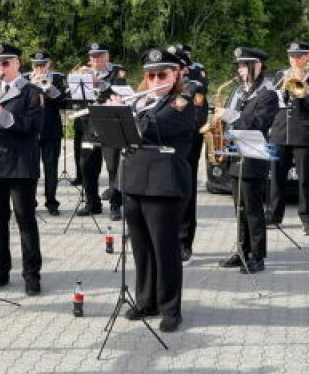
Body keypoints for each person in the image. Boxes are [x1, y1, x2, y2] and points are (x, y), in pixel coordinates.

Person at [119, 48, 195, 332]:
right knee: (140, 249)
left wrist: (125, 111)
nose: (155, 80)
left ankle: (170, 308)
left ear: (175, 74)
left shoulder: (182, 102)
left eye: (162, 74)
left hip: (164, 184)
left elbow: (151, 128)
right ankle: (146, 301)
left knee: (165, 249)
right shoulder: (142, 103)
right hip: (134, 180)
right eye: (150, 75)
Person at [0, 42, 44, 295]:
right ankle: (0, 272)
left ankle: (31, 274)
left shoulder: (31, 92)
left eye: (6, 63)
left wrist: (3, 114)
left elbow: (33, 127)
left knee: (25, 221)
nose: (1, 67)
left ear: (17, 63)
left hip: (20, 164)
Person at [216, 48, 278, 274]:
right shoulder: (241, 92)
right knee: (239, 209)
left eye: (244, 65)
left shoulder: (268, 94)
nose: (240, 70)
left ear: (258, 65)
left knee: (253, 210)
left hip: (253, 157)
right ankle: (242, 250)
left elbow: (258, 123)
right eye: (239, 66)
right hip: (236, 156)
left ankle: (258, 256)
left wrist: (230, 116)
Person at [268, 42, 309, 235]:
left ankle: (308, 220)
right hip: (280, 132)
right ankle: (274, 216)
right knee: (276, 178)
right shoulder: (280, 75)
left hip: (304, 134)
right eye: (291, 56)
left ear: (307, 57)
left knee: (305, 180)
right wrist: (284, 88)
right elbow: (276, 103)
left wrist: (301, 82)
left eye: (298, 56)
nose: (294, 59)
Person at [75, 42, 127, 220]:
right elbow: (74, 96)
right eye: (92, 56)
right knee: (87, 165)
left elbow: (122, 94)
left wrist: (100, 83)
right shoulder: (84, 73)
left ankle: (115, 205)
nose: (95, 60)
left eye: (98, 56)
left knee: (113, 166)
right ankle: (92, 203)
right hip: (89, 125)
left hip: (110, 125)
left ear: (107, 56)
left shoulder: (117, 72)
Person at [167, 44, 208, 265]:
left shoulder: (194, 86)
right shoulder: (161, 86)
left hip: (187, 147)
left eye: (173, 66)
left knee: (185, 194)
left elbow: (199, 117)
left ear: (182, 69)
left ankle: (184, 243)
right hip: (164, 149)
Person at [24, 50, 66, 215]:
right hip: (31, 130)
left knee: (51, 168)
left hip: (51, 129)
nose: (40, 68)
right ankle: (30, 202)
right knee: (31, 168)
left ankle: (51, 202)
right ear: (32, 65)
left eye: (43, 65)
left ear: (49, 64)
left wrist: (50, 88)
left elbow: (62, 102)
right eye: (36, 65)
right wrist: (32, 86)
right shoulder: (24, 79)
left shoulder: (57, 78)